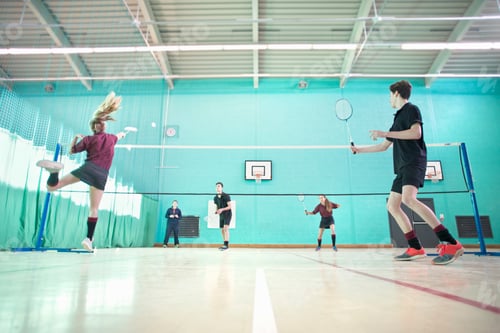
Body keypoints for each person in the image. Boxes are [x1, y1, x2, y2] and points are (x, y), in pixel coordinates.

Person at [351, 80, 464, 265]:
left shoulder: (412, 109)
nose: (389, 99)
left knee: (408, 199)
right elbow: (383, 146)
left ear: (396, 93)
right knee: (393, 206)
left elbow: (415, 133)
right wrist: (359, 150)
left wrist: (383, 133)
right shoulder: (397, 120)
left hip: (414, 161)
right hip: (402, 167)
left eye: (390, 95)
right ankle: (415, 247)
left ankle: (452, 243)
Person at [36, 92, 127, 252]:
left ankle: (54, 172)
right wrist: (123, 134)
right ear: (104, 126)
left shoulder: (88, 139)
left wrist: (75, 138)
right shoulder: (112, 138)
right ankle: (88, 239)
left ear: (94, 127)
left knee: (52, 187)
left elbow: (71, 151)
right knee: (94, 209)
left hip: (87, 169)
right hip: (101, 175)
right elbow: (120, 135)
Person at [214, 182, 232, 251]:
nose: (217, 187)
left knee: (225, 228)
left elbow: (230, 206)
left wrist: (222, 209)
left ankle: (226, 245)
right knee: (222, 230)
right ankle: (224, 244)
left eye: (219, 186)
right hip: (221, 215)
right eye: (216, 186)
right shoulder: (215, 198)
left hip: (227, 214)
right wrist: (216, 211)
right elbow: (217, 206)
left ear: (222, 188)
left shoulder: (226, 196)